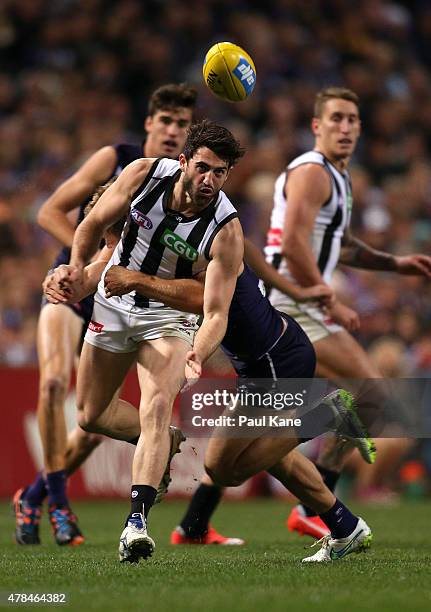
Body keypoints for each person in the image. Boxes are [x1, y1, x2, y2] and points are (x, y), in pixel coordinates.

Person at [45, 215, 374, 564]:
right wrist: (67, 279)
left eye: (113, 240)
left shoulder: (183, 250)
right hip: (268, 355)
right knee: (275, 457)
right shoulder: (212, 234)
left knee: (222, 468)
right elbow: (103, 269)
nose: (114, 249)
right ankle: (345, 527)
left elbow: (203, 303)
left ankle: (329, 415)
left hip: (273, 362)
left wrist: (142, 287)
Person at [13, 83, 198, 547]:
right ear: (149, 124)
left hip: (121, 297)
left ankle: (32, 496)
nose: (174, 131)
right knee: (55, 383)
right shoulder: (117, 159)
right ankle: (58, 504)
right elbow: (50, 211)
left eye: (183, 124)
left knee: (96, 424)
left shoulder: (183, 183)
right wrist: (91, 256)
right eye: (167, 121)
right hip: (79, 282)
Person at [59, 120, 245, 563]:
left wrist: (199, 348)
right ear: (183, 161)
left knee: (156, 405)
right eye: (202, 168)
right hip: (112, 303)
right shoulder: (144, 174)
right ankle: (167, 440)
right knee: (90, 415)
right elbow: (92, 224)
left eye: (219, 173)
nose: (209, 181)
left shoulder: (227, 229)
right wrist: (74, 266)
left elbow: (213, 307)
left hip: (169, 318)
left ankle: (136, 524)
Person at [263, 86, 431, 538]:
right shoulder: (314, 172)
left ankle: (303, 499)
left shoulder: (337, 177)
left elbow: (341, 246)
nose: (345, 127)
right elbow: (294, 243)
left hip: (300, 301)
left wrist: (393, 263)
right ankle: (312, 502)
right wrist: (329, 297)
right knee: (368, 395)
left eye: (353, 119)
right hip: (290, 302)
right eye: (336, 118)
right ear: (317, 126)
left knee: (356, 400)